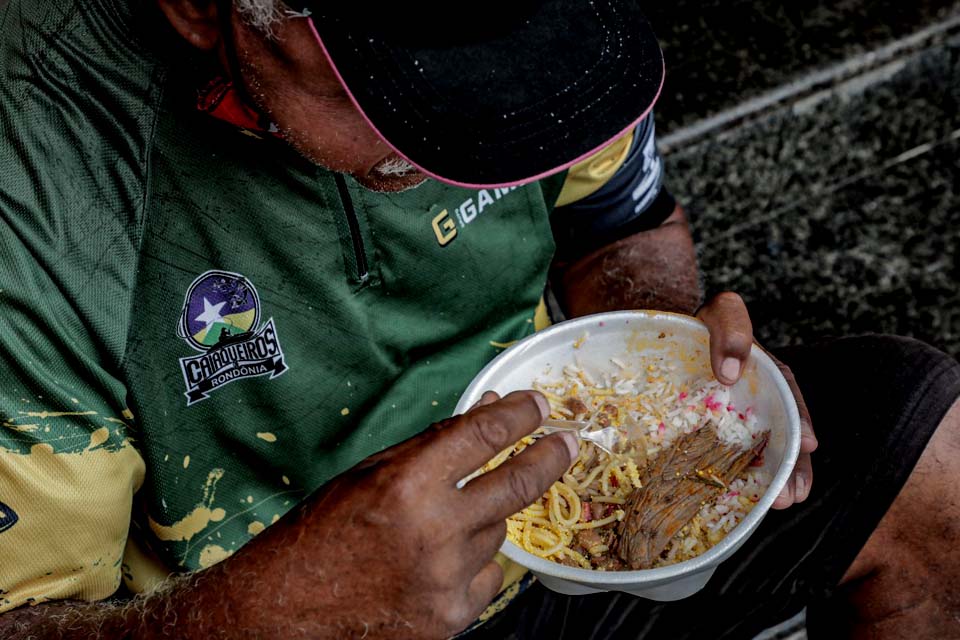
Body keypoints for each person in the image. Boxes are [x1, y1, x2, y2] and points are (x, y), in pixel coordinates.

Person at [1, 1, 958, 638]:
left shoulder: (541, 23)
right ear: (203, 8)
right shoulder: (37, 180)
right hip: (259, 614)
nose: (478, 140)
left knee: (933, 449)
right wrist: (269, 612)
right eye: (394, 97)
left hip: (565, 532)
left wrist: (662, 356)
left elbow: (617, 221)